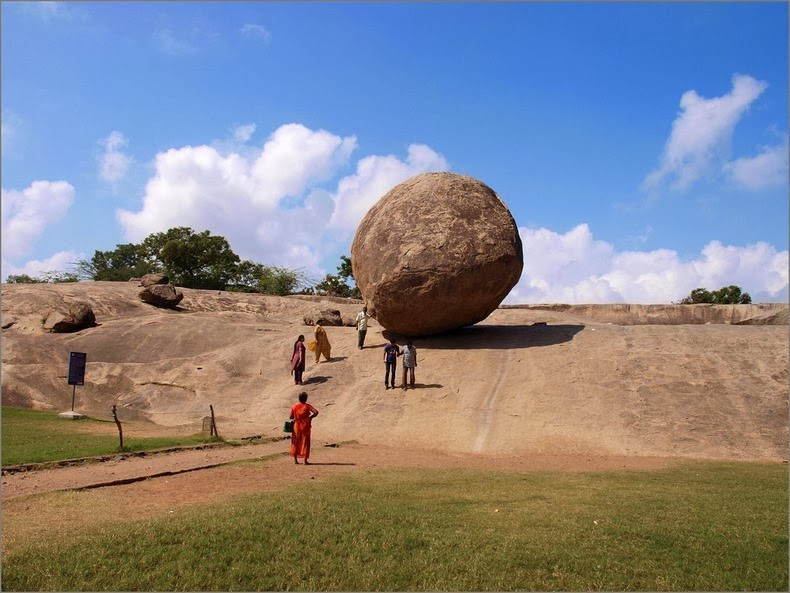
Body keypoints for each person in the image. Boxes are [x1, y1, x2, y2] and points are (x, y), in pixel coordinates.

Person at [289, 391, 319, 464]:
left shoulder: (294, 406)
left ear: (299, 398)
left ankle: (295, 460)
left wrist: (296, 417)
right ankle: (305, 460)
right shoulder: (307, 406)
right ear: (306, 399)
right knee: (305, 441)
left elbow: (290, 416)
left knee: (295, 441)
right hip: (305, 425)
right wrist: (310, 417)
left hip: (296, 425)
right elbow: (316, 412)